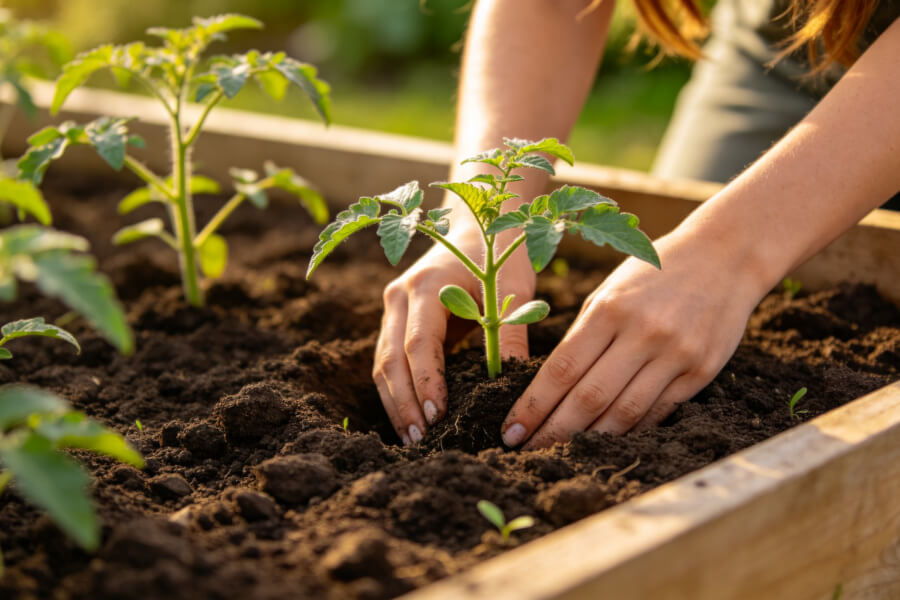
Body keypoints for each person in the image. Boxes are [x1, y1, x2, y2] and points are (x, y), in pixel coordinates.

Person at [372, 0, 900, 448]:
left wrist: (731, 251)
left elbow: (729, 249)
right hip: (789, 30)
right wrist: (485, 217)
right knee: (668, 302)